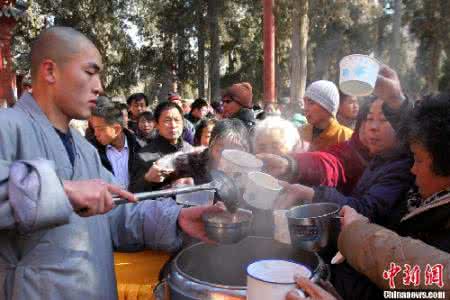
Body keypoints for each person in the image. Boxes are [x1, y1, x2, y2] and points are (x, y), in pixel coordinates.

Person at [0, 26, 220, 299]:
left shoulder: (85, 150)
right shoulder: (7, 127)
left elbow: (118, 211)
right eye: (90, 72)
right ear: (49, 71)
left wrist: (176, 219)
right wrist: (63, 190)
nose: (99, 86)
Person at [274, 97, 414, 228]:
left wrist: (312, 193)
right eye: (368, 118)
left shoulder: (400, 167)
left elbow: (366, 211)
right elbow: (332, 162)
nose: (371, 127)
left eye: (383, 120)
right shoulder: (374, 155)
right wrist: (291, 165)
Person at [259, 99, 372, 195]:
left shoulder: (346, 135)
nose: (305, 108)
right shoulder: (349, 147)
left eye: (311, 103)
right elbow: (330, 163)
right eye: (262, 147)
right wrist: (291, 165)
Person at [129, 101, 193, 192]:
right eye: (167, 120)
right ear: (156, 124)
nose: (173, 125)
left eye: (177, 120)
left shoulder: (190, 150)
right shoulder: (143, 156)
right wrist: (147, 179)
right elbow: (133, 191)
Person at [90, 104, 141, 189]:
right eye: (94, 129)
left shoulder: (140, 148)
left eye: (99, 129)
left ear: (117, 129)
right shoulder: (91, 150)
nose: (96, 134)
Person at [302, 80, 353, 151]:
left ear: (327, 107)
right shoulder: (300, 133)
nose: (305, 108)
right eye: (305, 103)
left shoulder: (347, 138)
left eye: (311, 103)